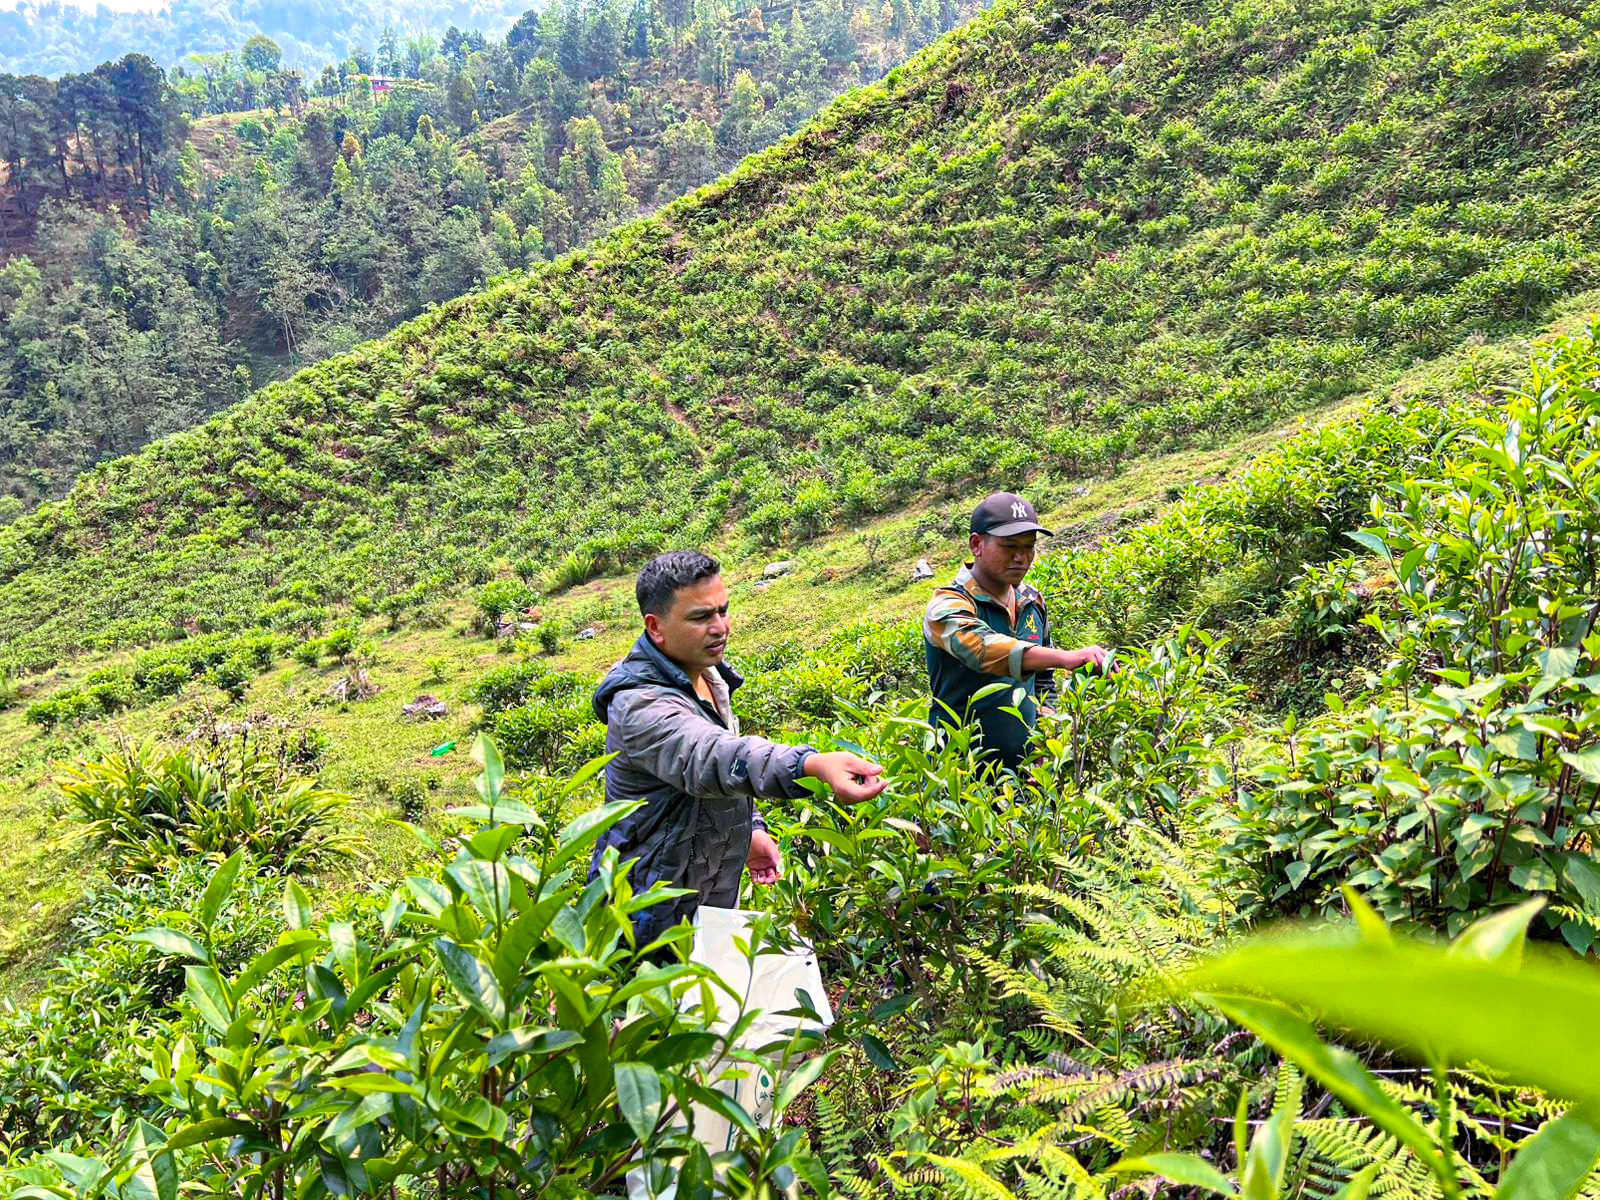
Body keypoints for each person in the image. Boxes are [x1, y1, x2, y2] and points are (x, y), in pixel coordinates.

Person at [591, 550, 888, 950]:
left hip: (700, 896)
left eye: (723, 611)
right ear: (655, 627)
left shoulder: (707, 679)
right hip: (643, 913)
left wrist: (750, 830)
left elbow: (720, 772)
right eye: (700, 617)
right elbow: (712, 757)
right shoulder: (640, 707)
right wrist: (811, 764)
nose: (720, 628)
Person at [924, 491, 1112, 770]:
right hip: (960, 777)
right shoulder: (948, 604)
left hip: (1026, 775)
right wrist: (1065, 657)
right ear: (977, 544)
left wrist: (1046, 734)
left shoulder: (1032, 602)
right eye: (1010, 546)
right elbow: (982, 649)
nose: (1021, 557)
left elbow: (1043, 681)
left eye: (1029, 547)